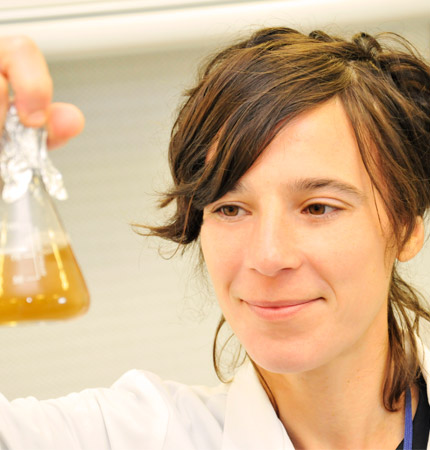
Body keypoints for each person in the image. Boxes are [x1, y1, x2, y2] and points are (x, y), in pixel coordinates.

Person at [0, 27, 429, 450]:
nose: (268, 256)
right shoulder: (137, 435)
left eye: (317, 207)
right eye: (230, 209)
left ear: (407, 226)